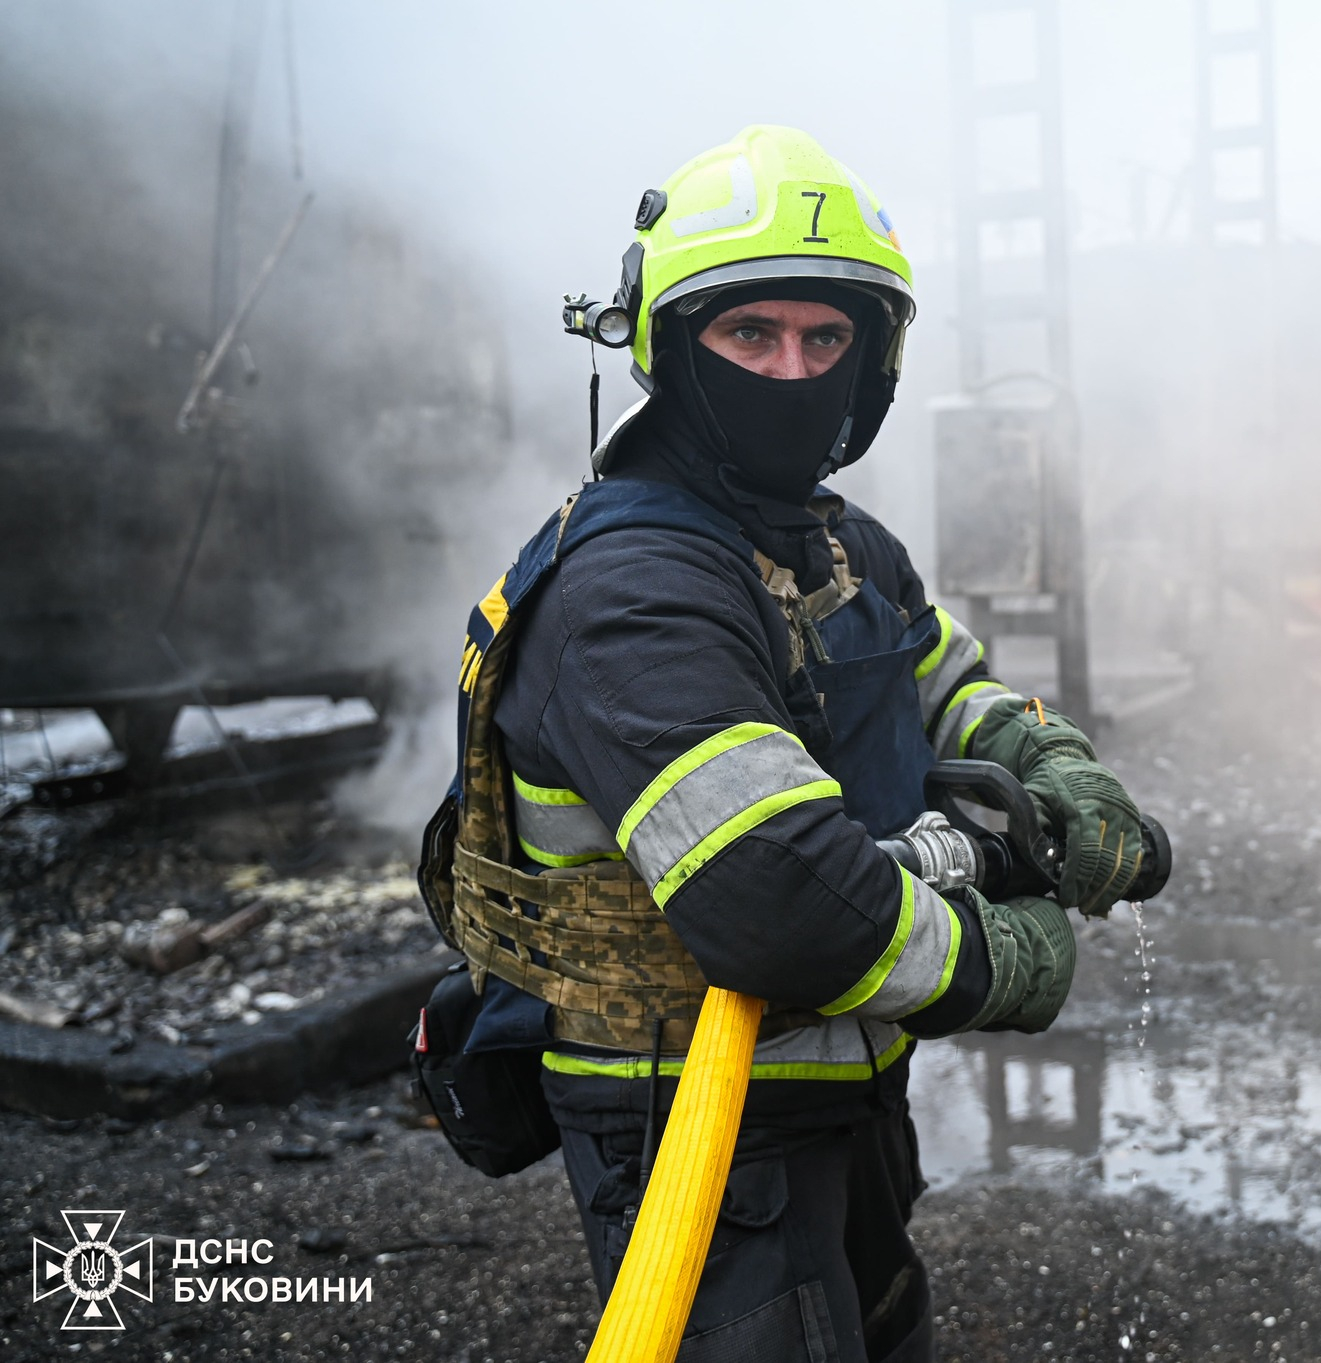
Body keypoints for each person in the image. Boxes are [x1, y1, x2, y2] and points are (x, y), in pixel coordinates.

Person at [433, 125, 1146, 1361]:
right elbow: (778, 899)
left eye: (826, 340)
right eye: (749, 334)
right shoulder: (632, 594)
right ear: (668, 346)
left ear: (873, 358)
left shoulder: (836, 545)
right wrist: (996, 960)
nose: (793, 370)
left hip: (839, 1079)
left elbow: (940, 681)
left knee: (880, 1330)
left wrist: (1050, 761)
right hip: (692, 1119)